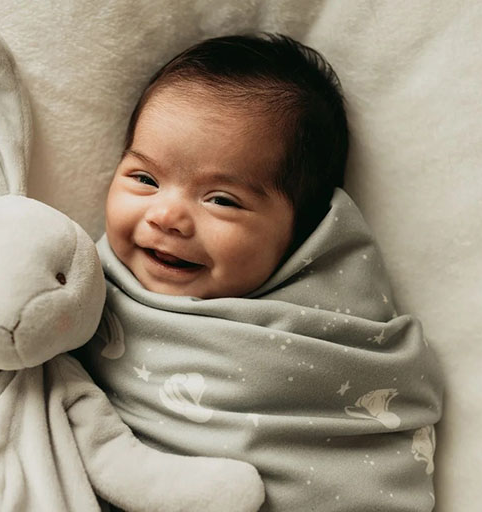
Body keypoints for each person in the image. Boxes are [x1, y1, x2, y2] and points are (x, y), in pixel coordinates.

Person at [82, 34, 444, 511]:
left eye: (221, 200)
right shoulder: (86, 282)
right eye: (145, 179)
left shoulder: (339, 330)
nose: (167, 215)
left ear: (303, 232)